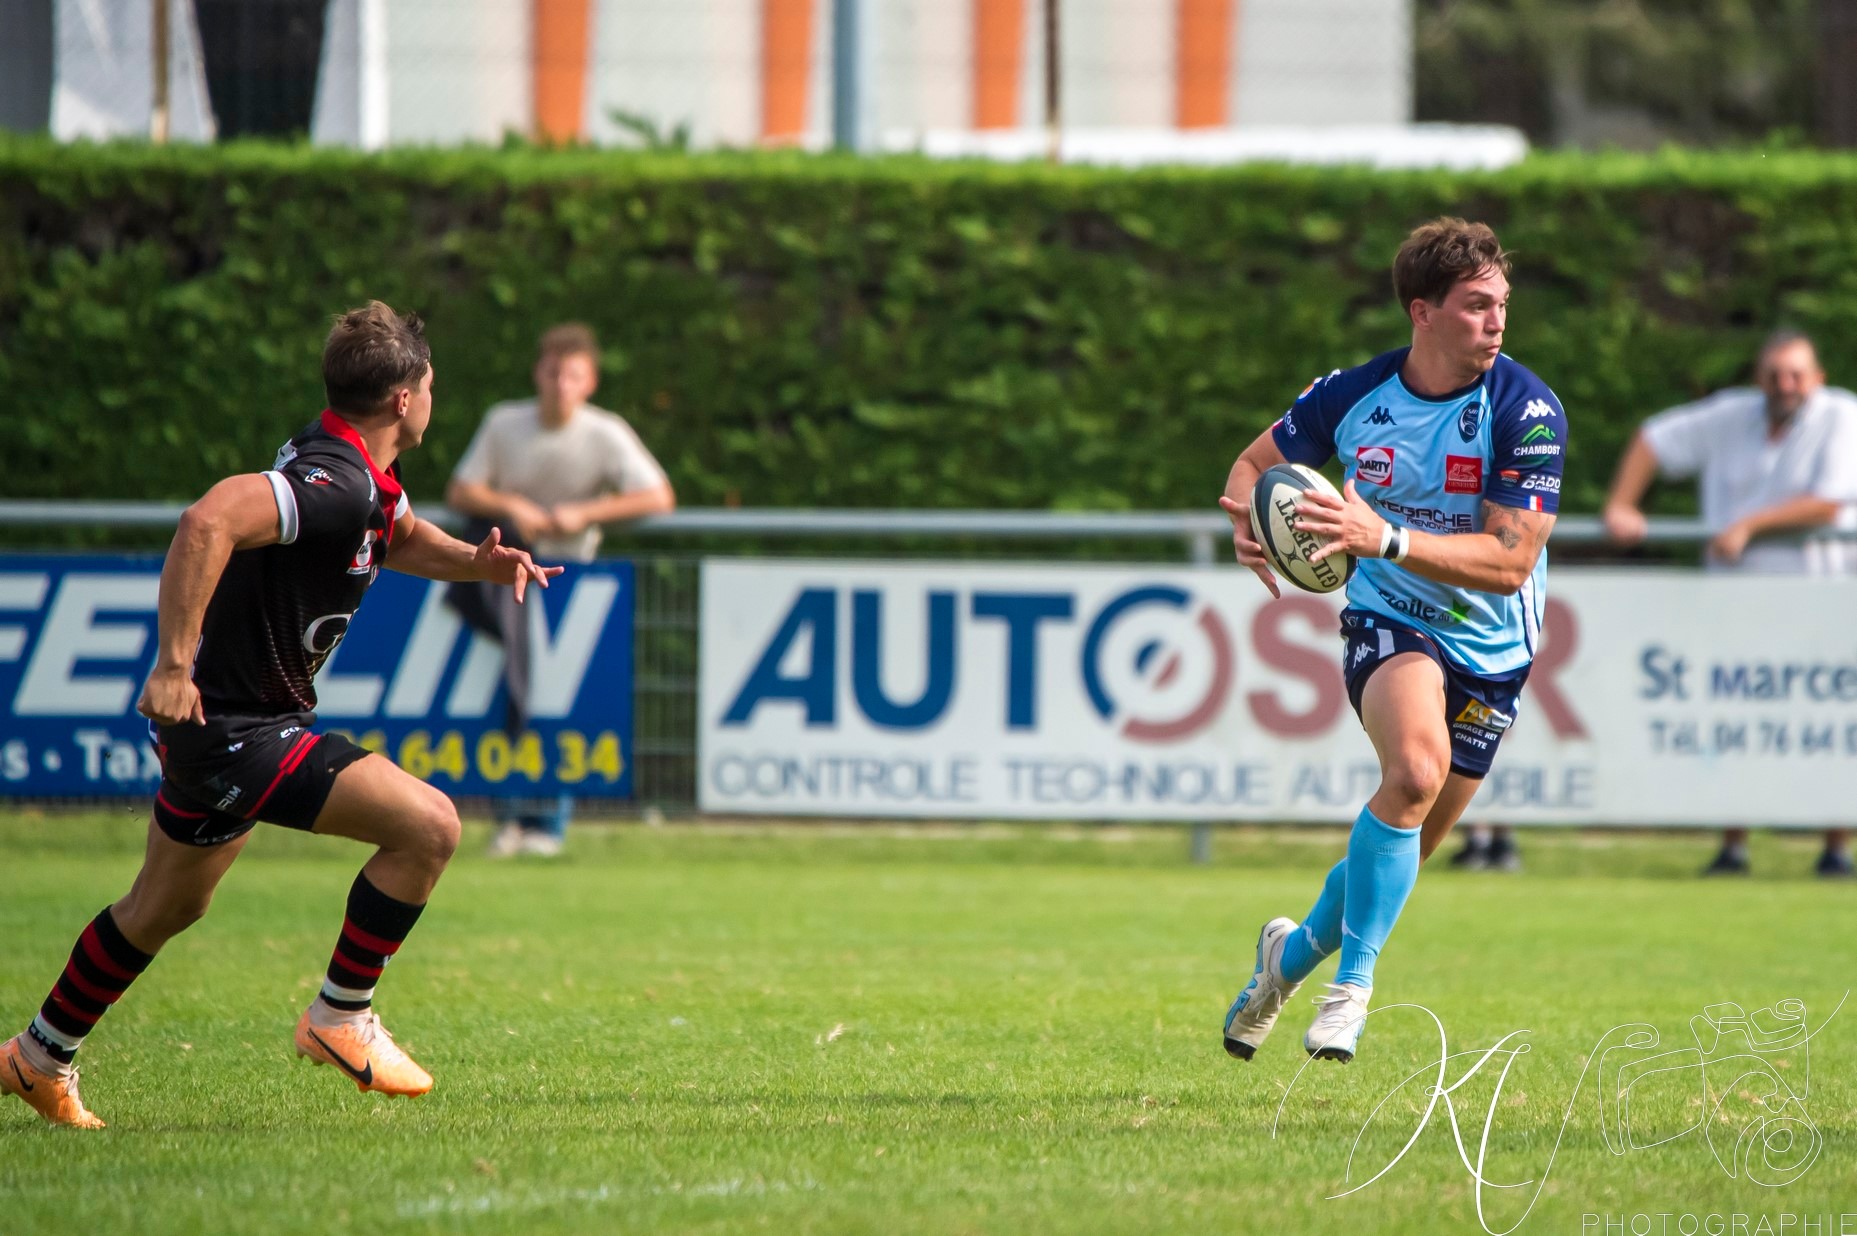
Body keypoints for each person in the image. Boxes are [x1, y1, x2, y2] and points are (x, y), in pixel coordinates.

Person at [0, 303, 560, 1129]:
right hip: (236, 726)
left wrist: (476, 563)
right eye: (431, 384)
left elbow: (395, 535)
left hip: (232, 725)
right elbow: (208, 520)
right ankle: (339, 1016)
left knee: (164, 906)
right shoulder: (332, 481)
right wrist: (174, 664)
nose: (435, 397)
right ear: (405, 399)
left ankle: (36, 1057)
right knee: (429, 826)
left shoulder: (358, 472)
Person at [1217, 218, 1566, 1064]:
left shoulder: (1525, 409)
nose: (1495, 322)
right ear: (1422, 311)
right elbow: (1251, 467)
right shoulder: (1353, 396)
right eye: (1476, 306)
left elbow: (1511, 561)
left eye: (1501, 306)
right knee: (1411, 772)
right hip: (1389, 615)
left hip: (1494, 645)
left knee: (1403, 834)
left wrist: (1388, 536)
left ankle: (1286, 959)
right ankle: (1353, 989)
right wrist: (1245, 521)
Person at [1603, 330, 1857, 879]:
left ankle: (1836, 846)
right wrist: (1623, 505)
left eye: (1795, 375)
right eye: (1773, 374)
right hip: (1737, 606)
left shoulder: (1841, 417)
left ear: (1817, 379)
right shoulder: (1731, 416)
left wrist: (1749, 524)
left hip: (1822, 607)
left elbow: (1829, 504)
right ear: (1759, 378)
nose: (1783, 385)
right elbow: (1653, 439)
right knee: (1733, 726)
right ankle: (1733, 844)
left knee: (1828, 727)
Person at [445, 322, 674, 858]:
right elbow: (462, 488)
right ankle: (508, 819)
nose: (560, 384)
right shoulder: (505, 422)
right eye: (552, 372)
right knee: (507, 690)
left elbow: (658, 495)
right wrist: (513, 508)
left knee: (560, 700)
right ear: (538, 373)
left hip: (571, 583)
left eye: (572, 374)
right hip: (507, 585)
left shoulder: (606, 432)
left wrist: (585, 513)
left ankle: (549, 824)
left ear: (589, 381)